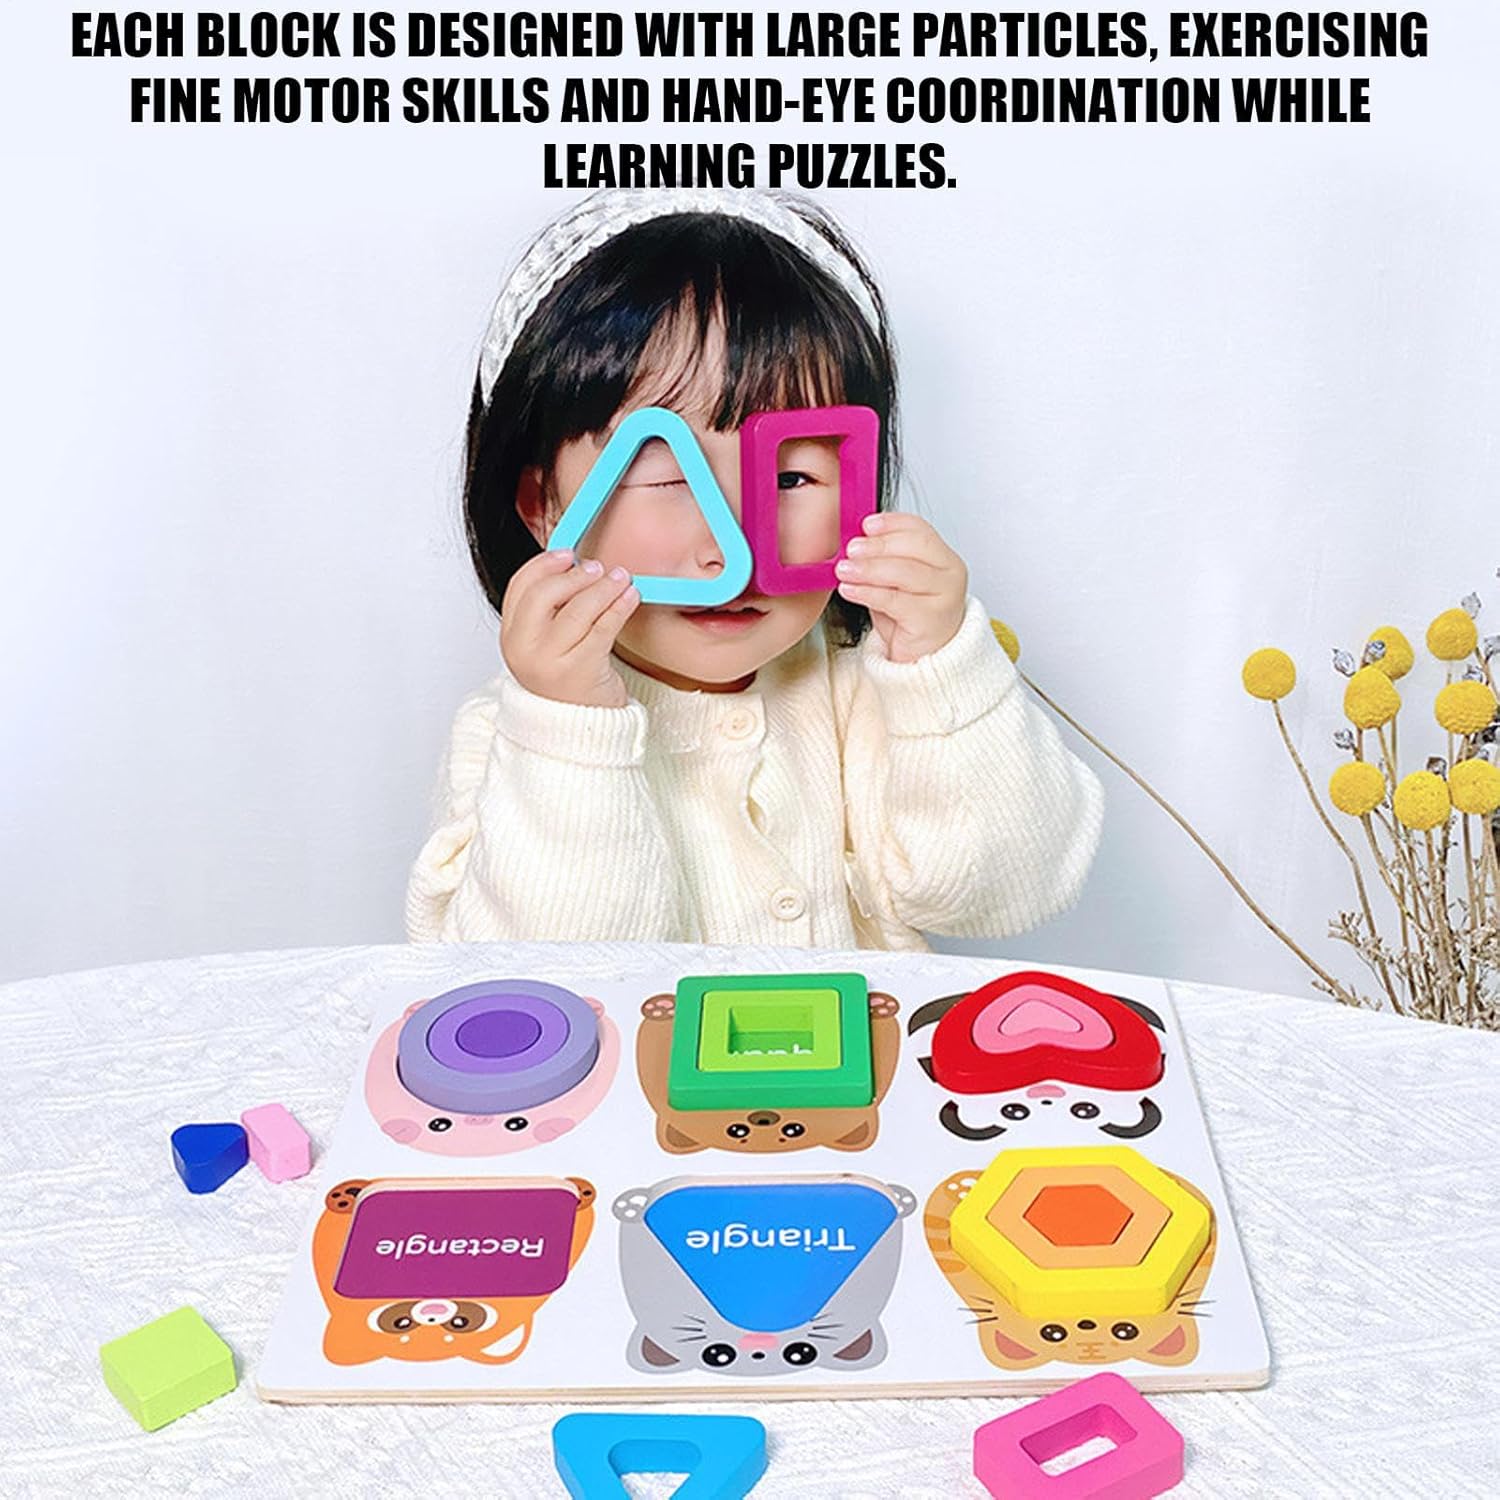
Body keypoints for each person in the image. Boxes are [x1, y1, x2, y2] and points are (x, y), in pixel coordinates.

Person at [406, 185, 1103, 950]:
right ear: (544, 508)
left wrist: (943, 670)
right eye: (668, 478)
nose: (728, 549)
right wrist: (569, 728)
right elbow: (547, 980)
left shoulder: (867, 692)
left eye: (791, 478)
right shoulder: (512, 732)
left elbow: (1002, 892)